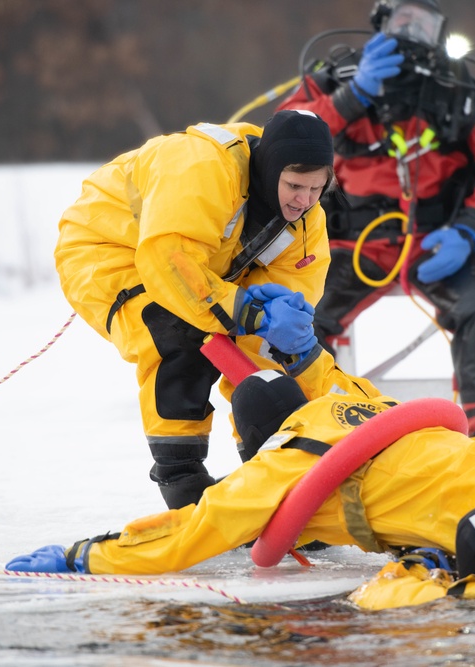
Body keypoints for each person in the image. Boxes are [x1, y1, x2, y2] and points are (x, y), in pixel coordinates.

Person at [5, 366, 475, 611]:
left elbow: (194, 531)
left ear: (256, 437)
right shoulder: (354, 401)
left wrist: (87, 553)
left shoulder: (285, 463)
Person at [55, 109, 351, 510]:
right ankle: (181, 478)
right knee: (178, 335)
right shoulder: (203, 167)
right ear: (269, 170)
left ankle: (275, 466)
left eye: (317, 189)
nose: (306, 200)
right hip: (111, 251)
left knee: (264, 351)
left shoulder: (305, 218)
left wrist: (285, 327)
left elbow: (293, 296)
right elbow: (169, 263)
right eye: (295, 185)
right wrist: (250, 313)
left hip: (204, 264)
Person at [275, 0, 475, 436]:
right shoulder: (339, 81)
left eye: (424, 23)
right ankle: (304, 432)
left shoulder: (460, 91)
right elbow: (281, 137)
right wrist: (350, 99)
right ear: (380, 24)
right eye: (401, 19)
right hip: (355, 244)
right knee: (301, 318)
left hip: (439, 239)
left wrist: (470, 229)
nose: (411, 31)